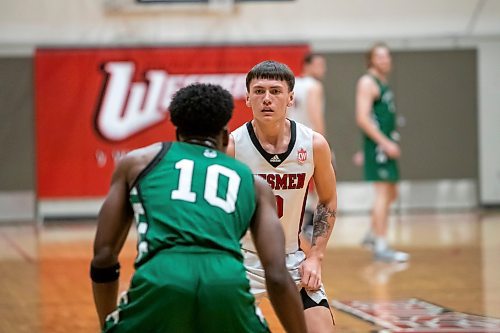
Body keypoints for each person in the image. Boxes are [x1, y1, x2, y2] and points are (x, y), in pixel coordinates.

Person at [90, 83, 307, 333]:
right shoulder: (253, 183)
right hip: (225, 282)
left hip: (161, 277)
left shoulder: (138, 164)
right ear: (225, 136)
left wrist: (108, 324)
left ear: (177, 133)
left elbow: (104, 256)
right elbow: (278, 275)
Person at [227, 60, 337, 332]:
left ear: (290, 98)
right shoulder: (231, 147)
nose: (267, 99)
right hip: (241, 261)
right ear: (247, 97)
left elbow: (327, 199)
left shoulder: (313, 144)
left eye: (275, 91)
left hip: (292, 260)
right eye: (259, 91)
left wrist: (316, 257)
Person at [355, 42, 410, 262]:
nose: (385, 60)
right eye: (380, 57)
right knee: (383, 193)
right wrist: (384, 143)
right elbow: (362, 117)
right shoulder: (367, 82)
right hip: (379, 147)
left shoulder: (382, 82)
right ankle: (381, 245)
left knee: (392, 193)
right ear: (371, 59)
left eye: (387, 57)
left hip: (384, 145)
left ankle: (371, 233)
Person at [287, 53, 328, 240]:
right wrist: (323, 140)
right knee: (321, 185)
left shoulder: (293, 83)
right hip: (307, 141)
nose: (322, 68)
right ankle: (310, 225)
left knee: (296, 184)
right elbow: (315, 114)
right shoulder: (314, 86)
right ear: (307, 65)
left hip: (289, 140)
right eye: (319, 64)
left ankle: (296, 226)